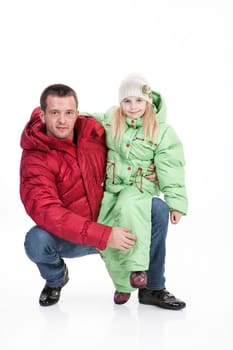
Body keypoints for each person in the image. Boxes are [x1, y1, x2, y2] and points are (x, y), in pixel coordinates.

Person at [20, 83, 186, 310]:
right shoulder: (35, 159)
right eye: (54, 113)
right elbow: (47, 211)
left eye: (69, 113)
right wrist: (104, 235)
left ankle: (152, 289)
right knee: (36, 241)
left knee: (156, 208)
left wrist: (147, 166)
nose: (62, 120)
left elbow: (128, 135)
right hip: (77, 235)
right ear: (42, 115)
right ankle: (56, 279)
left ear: (77, 113)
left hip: (113, 217)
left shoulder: (92, 130)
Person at [83, 73, 188, 306]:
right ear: (120, 103)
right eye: (127, 101)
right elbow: (90, 118)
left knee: (130, 210)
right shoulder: (112, 119)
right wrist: (69, 115)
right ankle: (123, 284)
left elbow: (171, 167)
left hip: (138, 189)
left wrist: (176, 202)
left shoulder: (161, 131)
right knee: (106, 231)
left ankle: (139, 269)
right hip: (112, 190)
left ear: (148, 102)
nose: (133, 107)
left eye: (139, 101)